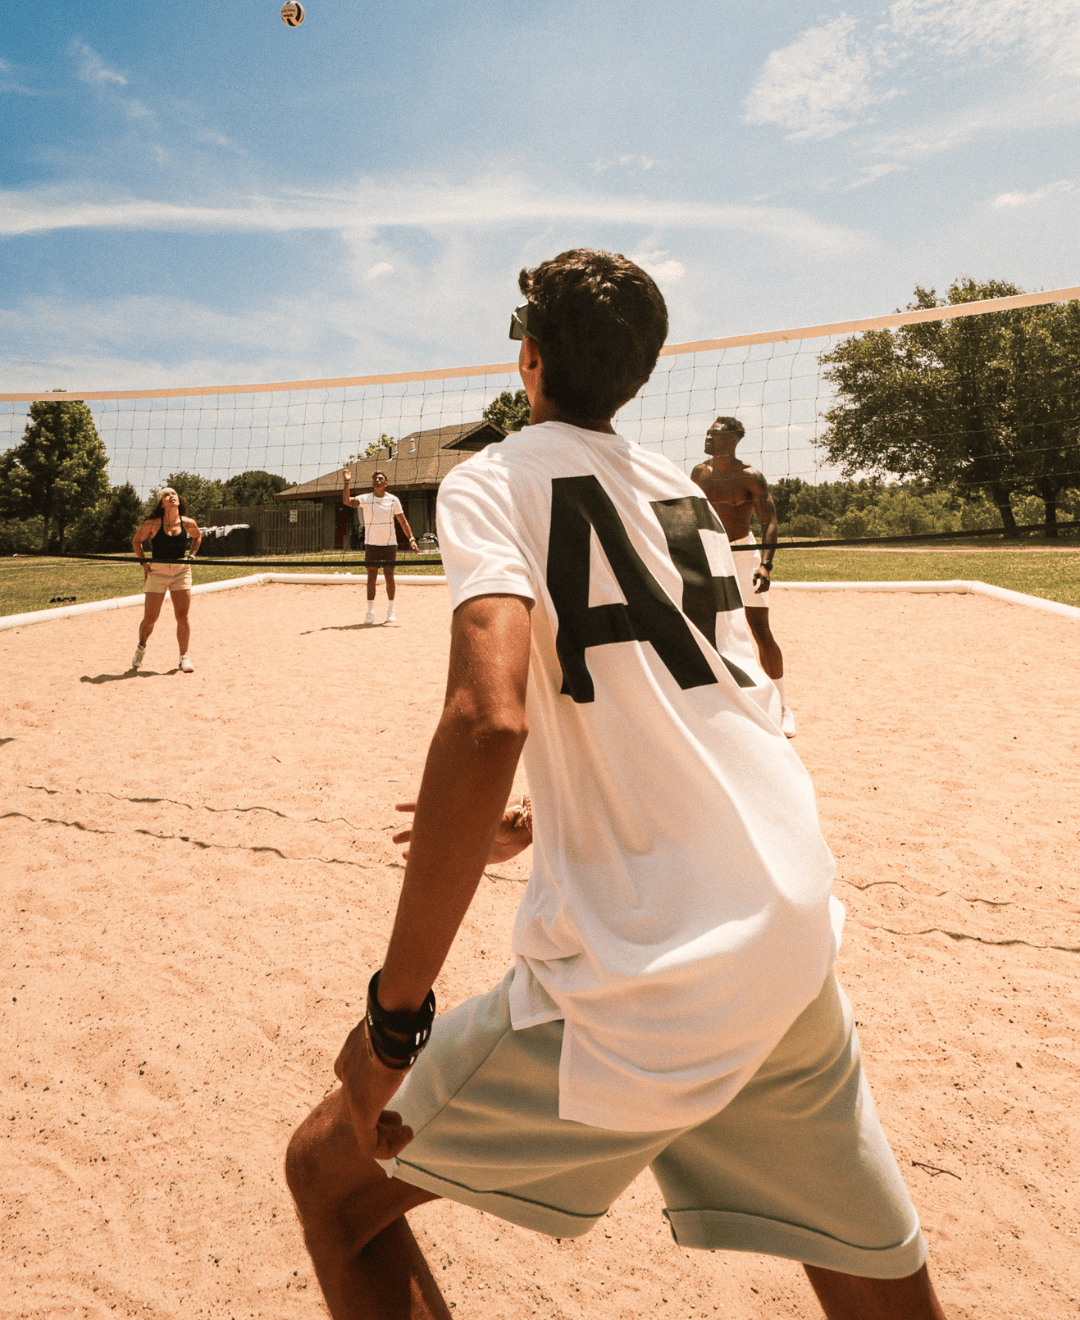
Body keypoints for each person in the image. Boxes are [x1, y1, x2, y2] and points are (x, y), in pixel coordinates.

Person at [286, 250, 949, 1320]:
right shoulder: (683, 492)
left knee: (326, 1177)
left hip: (646, 980)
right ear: (641, 372)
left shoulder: (493, 479)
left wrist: (391, 1025)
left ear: (528, 359)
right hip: (789, 934)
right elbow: (724, 705)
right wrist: (548, 815)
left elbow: (488, 718)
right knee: (875, 1283)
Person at [691, 417, 795, 737]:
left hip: (744, 553)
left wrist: (765, 565)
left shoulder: (751, 477)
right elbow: (689, 514)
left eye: (715, 434)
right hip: (710, 551)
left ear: (733, 440)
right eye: (708, 432)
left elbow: (769, 522)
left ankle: (782, 706)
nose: (708, 437)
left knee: (759, 628)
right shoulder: (699, 473)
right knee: (708, 630)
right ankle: (718, 704)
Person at [131, 487, 201, 673]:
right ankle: (141, 647)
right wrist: (144, 563)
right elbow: (136, 541)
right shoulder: (153, 523)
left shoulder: (188, 523)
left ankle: (184, 657)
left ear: (179, 499)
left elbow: (197, 537)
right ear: (161, 503)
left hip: (181, 571)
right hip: (158, 572)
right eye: (166, 495)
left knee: (182, 616)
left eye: (174, 494)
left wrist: (191, 556)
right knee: (150, 619)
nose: (171, 497)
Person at [342, 470, 418, 624]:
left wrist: (411, 539)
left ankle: (391, 610)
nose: (377, 480)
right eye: (375, 478)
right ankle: (370, 612)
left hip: (389, 544)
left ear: (386, 483)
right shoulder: (366, 499)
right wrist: (347, 482)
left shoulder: (393, 500)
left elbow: (403, 521)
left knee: (389, 576)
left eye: (380, 478)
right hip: (372, 544)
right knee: (371, 577)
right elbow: (346, 501)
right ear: (372, 483)